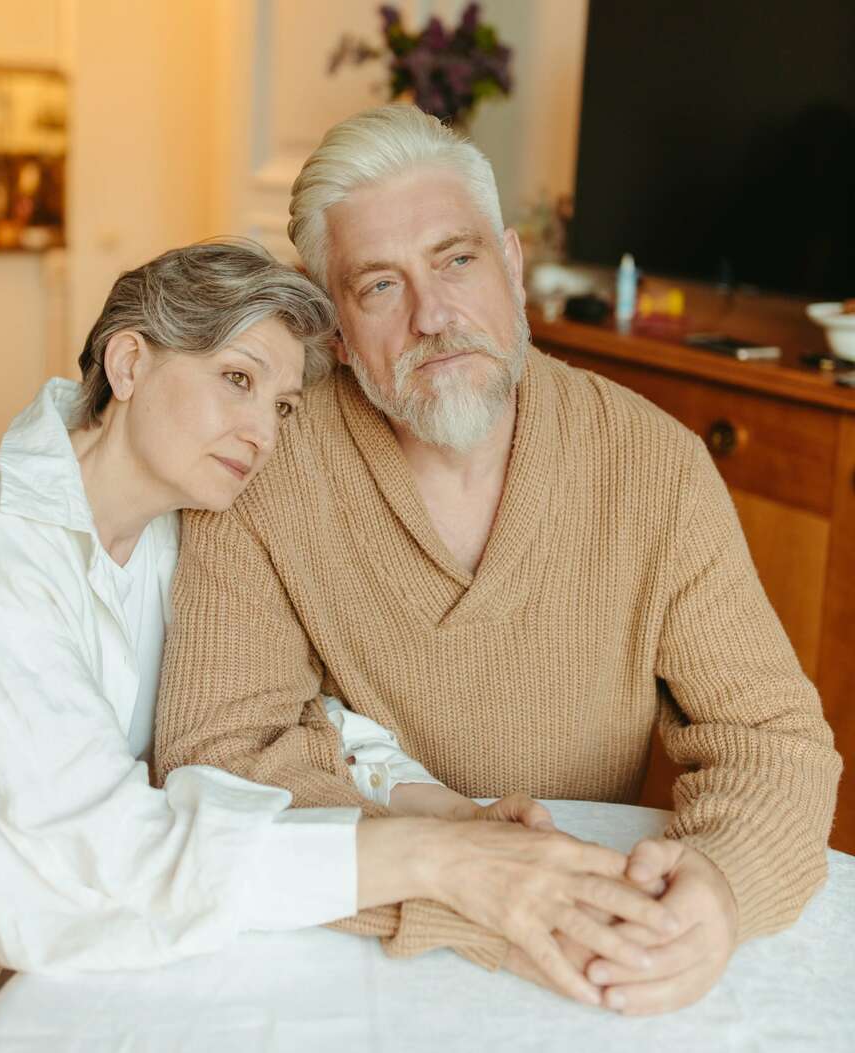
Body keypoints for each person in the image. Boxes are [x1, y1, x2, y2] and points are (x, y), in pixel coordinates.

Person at [0, 240, 675, 1053]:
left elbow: (290, 709)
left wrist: (431, 802)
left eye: (280, 406)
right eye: (235, 379)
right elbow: (76, 868)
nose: (263, 434)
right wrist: (431, 858)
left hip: (82, 976)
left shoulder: (176, 529)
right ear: (127, 365)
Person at [153, 108, 843, 1016]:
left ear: (513, 267)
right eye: (379, 287)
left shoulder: (654, 465)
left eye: (457, 260)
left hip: (589, 956)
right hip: (340, 958)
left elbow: (774, 740)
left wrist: (721, 886)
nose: (433, 316)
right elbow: (220, 760)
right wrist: (466, 886)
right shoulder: (265, 468)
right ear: (334, 333)